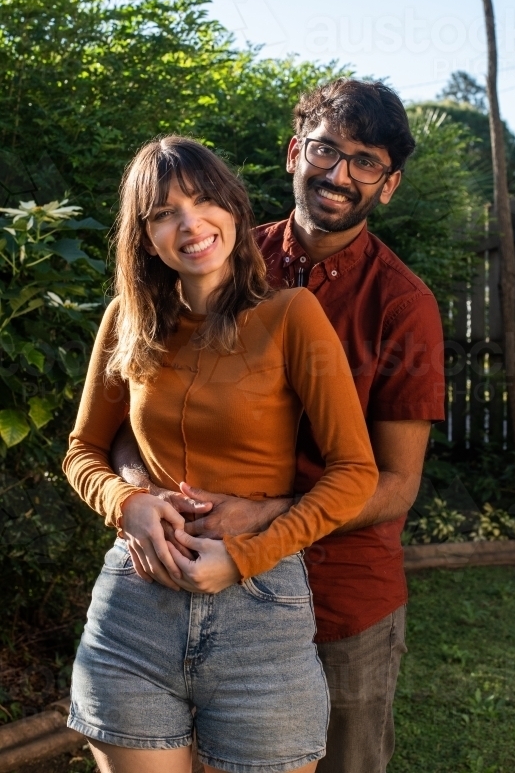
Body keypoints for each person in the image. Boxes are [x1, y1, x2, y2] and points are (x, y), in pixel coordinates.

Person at [113, 79, 445, 773]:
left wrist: (263, 517)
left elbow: (395, 484)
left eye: (365, 162)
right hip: (198, 581)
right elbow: (130, 416)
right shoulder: (217, 253)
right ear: (295, 152)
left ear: (387, 186)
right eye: (326, 150)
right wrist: (138, 494)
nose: (338, 174)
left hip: (340, 599)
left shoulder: (401, 305)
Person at [63, 135, 379, 773]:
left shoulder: (292, 315)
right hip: (134, 609)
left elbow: (355, 474)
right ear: (145, 235)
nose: (190, 224)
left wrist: (245, 556)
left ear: (233, 209)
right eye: (163, 213)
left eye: (204, 200)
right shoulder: (127, 320)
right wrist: (127, 504)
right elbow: (82, 451)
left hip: (259, 615)